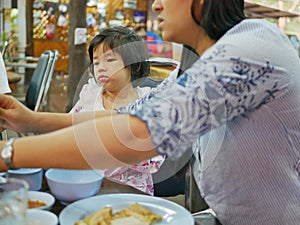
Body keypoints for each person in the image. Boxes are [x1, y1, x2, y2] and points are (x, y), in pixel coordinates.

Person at [0, 0, 299, 224]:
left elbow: (136, 133)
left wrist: (8, 153)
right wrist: (31, 119)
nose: (156, 5)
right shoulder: (202, 62)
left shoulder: (250, 47)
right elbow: (129, 116)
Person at [70, 26, 163, 195]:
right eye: (96, 62)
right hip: (89, 185)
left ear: (133, 65)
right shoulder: (90, 98)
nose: (101, 67)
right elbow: (68, 129)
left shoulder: (147, 104)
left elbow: (155, 158)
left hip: (132, 191)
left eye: (110, 60)